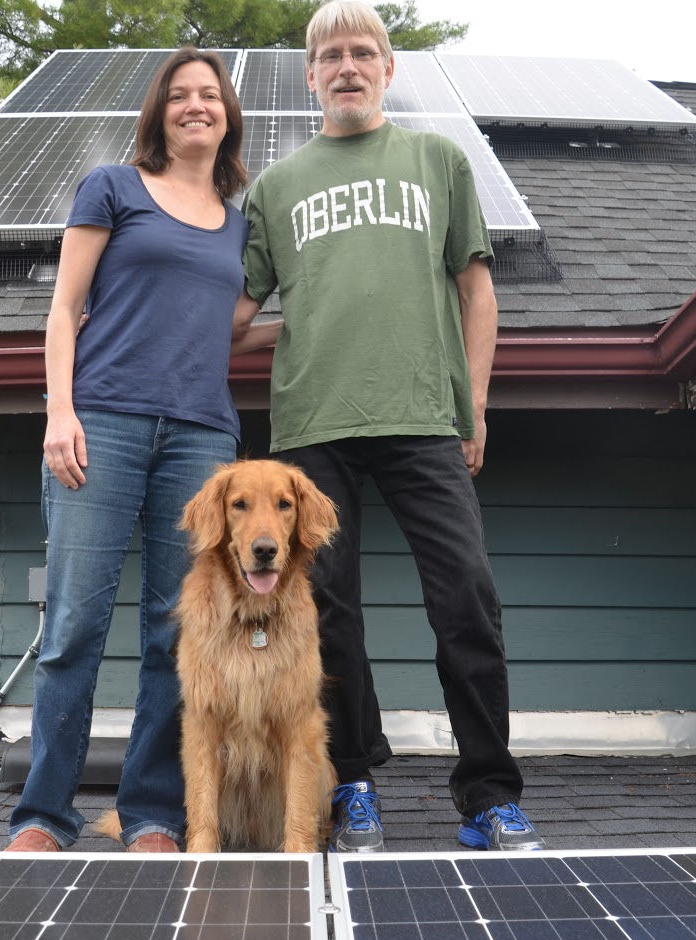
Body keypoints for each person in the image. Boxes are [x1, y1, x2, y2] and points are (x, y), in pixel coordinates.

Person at [232, 0, 546, 853]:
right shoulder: (276, 187)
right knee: (327, 613)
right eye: (330, 54)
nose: (346, 65)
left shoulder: (438, 161)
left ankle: (489, 794)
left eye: (362, 51)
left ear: (387, 68)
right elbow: (237, 314)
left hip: (421, 416)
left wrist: (473, 403)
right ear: (309, 75)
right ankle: (355, 788)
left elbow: (477, 290)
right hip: (312, 425)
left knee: (468, 598)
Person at [8, 48, 265, 854]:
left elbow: (226, 326)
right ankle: (44, 815)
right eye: (181, 95)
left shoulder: (240, 224)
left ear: (228, 115)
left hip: (202, 437)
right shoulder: (112, 186)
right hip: (105, 423)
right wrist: (61, 410)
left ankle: (153, 813)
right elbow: (64, 308)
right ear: (160, 113)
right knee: (75, 623)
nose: (197, 105)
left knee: (174, 632)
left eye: (211, 95)